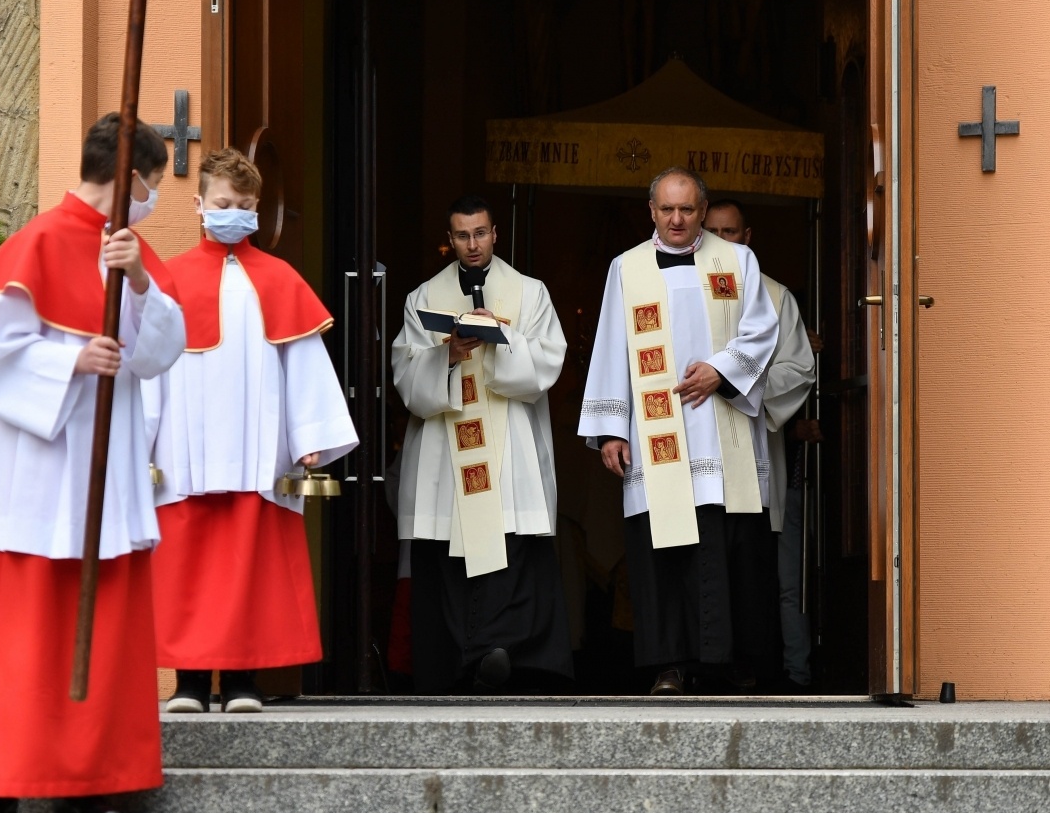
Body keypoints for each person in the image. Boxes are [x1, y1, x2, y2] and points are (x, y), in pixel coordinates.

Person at [0, 113, 186, 813]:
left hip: (102, 480)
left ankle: (92, 780)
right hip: (33, 476)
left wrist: (136, 279)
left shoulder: (132, 255)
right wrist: (71, 358)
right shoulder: (36, 241)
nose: (153, 198)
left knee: (101, 632)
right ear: (131, 175)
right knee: (15, 639)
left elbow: (163, 348)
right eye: (155, 183)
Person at [146, 148, 357, 713]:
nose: (232, 213)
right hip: (184, 451)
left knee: (247, 567)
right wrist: (139, 443)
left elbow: (303, 366)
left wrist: (311, 435)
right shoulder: (168, 281)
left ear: (257, 209)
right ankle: (189, 684)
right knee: (187, 564)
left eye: (242, 205)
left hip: (257, 451)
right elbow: (149, 369)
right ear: (199, 204)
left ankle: (242, 683)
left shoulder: (280, 279)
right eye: (222, 204)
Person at [578, 167, 779, 695]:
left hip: (721, 432)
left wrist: (722, 370)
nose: (676, 219)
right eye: (666, 209)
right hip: (656, 436)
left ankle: (729, 664)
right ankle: (670, 664)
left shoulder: (737, 262)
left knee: (727, 545)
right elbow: (610, 349)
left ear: (702, 209)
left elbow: (762, 330)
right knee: (664, 553)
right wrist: (611, 430)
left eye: (687, 210)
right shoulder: (628, 268)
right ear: (651, 211)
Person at [391, 195, 572, 693]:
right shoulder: (424, 296)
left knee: (512, 555)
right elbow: (407, 378)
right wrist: (447, 354)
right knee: (448, 558)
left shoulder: (529, 293)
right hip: (445, 458)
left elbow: (545, 368)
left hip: (508, 446)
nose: (472, 244)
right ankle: (458, 662)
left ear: (496, 234)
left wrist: (501, 339)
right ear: (450, 240)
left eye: (481, 233)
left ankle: (507, 659)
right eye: (462, 236)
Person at [704, 199, 818, 691]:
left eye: (730, 232)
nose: (722, 241)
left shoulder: (773, 296)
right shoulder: (674, 289)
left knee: (753, 576)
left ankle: (756, 673)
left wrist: (736, 382)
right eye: (713, 232)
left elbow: (799, 369)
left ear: (747, 236)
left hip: (753, 460)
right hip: (695, 462)